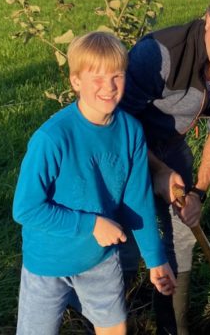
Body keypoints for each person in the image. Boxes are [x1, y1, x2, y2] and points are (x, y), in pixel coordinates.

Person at [119, 0, 210, 334]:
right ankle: (112, 317)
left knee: (182, 234)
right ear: (207, 19)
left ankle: (174, 325)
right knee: (124, 236)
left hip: (171, 146)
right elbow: (119, 122)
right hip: (123, 149)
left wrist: (197, 191)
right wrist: (156, 171)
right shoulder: (159, 54)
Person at [13, 31, 175, 335]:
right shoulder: (52, 138)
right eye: (96, 78)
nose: (109, 87)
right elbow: (26, 209)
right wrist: (91, 225)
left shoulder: (131, 131)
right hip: (48, 262)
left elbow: (137, 200)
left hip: (100, 260)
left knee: (114, 329)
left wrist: (155, 259)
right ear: (76, 81)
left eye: (117, 76)